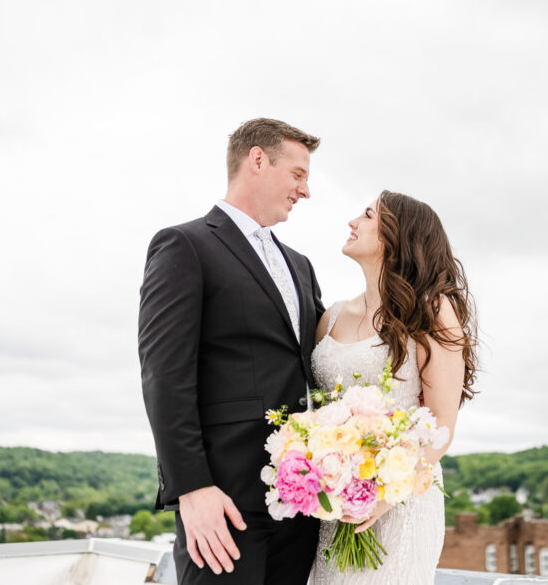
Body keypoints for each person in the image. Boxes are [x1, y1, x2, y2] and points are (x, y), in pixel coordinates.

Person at [138, 118, 325, 585]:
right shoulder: (186, 245)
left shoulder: (300, 266)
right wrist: (192, 489)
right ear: (257, 160)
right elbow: (165, 375)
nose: (305, 191)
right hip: (223, 505)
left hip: (302, 505)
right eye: (298, 174)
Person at [309, 190, 479, 584]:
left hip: (402, 501)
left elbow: (441, 427)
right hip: (336, 499)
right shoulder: (331, 317)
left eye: (367, 215)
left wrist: (385, 495)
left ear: (395, 237)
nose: (353, 221)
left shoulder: (432, 311)